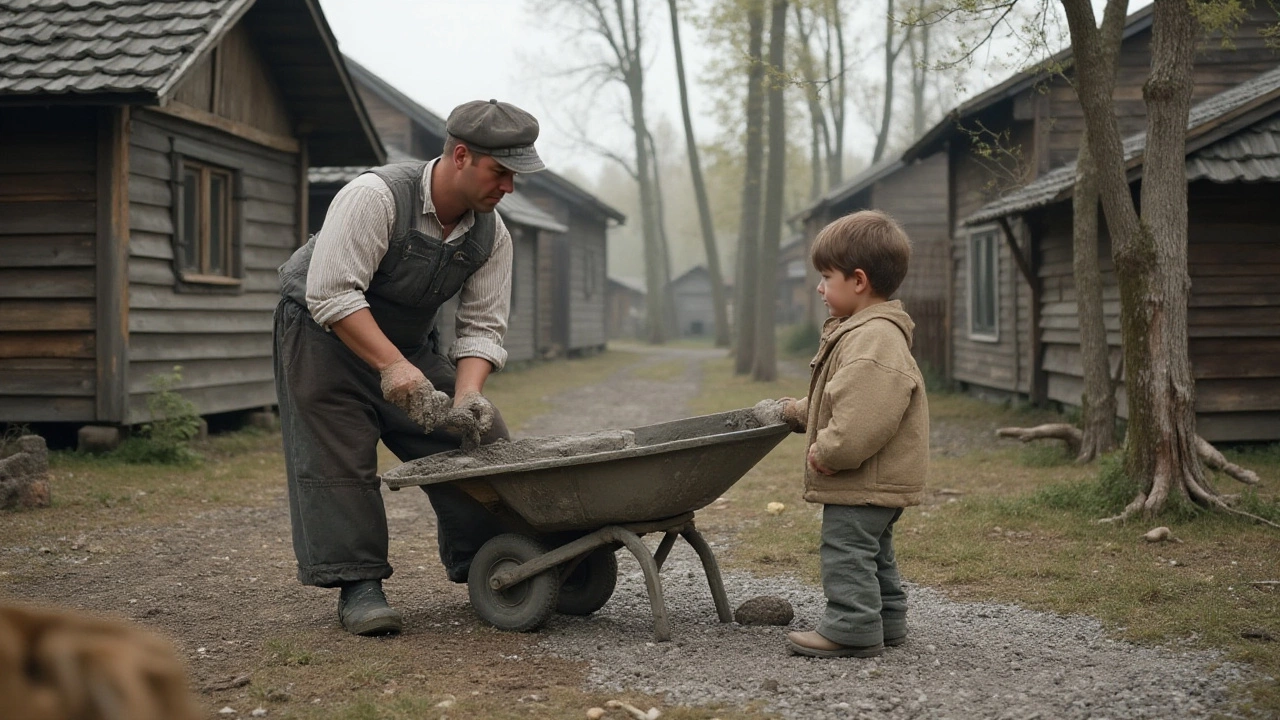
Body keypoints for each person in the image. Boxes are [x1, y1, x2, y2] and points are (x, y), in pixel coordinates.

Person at [272, 99, 546, 636]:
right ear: (462, 156)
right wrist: (393, 370)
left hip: (408, 343)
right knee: (340, 461)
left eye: (516, 176)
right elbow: (332, 292)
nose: (509, 187)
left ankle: (486, 561)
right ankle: (358, 585)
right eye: (501, 173)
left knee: (480, 440)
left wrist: (468, 396)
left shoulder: (493, 235)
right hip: (320, 335)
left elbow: (482, 328)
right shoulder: (374, 197)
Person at [778, 210, 929, 658]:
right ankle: (888, 621)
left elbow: (865, 415)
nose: (820, 288)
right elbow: (841, 397)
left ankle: (851, 628)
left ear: (858, 281)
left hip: (861, 476)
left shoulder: (873, 339)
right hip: (877, 480)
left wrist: (831, 451)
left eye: (826, 277)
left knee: (845, 548)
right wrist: (797, 413)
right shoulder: (864, 333)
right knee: (874, 552)